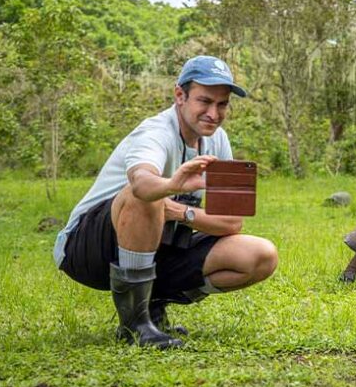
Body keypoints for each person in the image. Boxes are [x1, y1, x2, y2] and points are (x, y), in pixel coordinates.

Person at [53, 56, 279, 349]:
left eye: (222, 104)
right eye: (205, 101)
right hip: (88, 249)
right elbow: (143, 184)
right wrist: (171, 186)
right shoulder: (156, 132)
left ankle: (153, 302)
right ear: (180, 96)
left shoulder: (218, 140)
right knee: (147, 197)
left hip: (161, 245)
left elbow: (232, 222)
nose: (214, 113)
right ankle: (135, 325)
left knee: (261, 254)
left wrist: (179, 211)